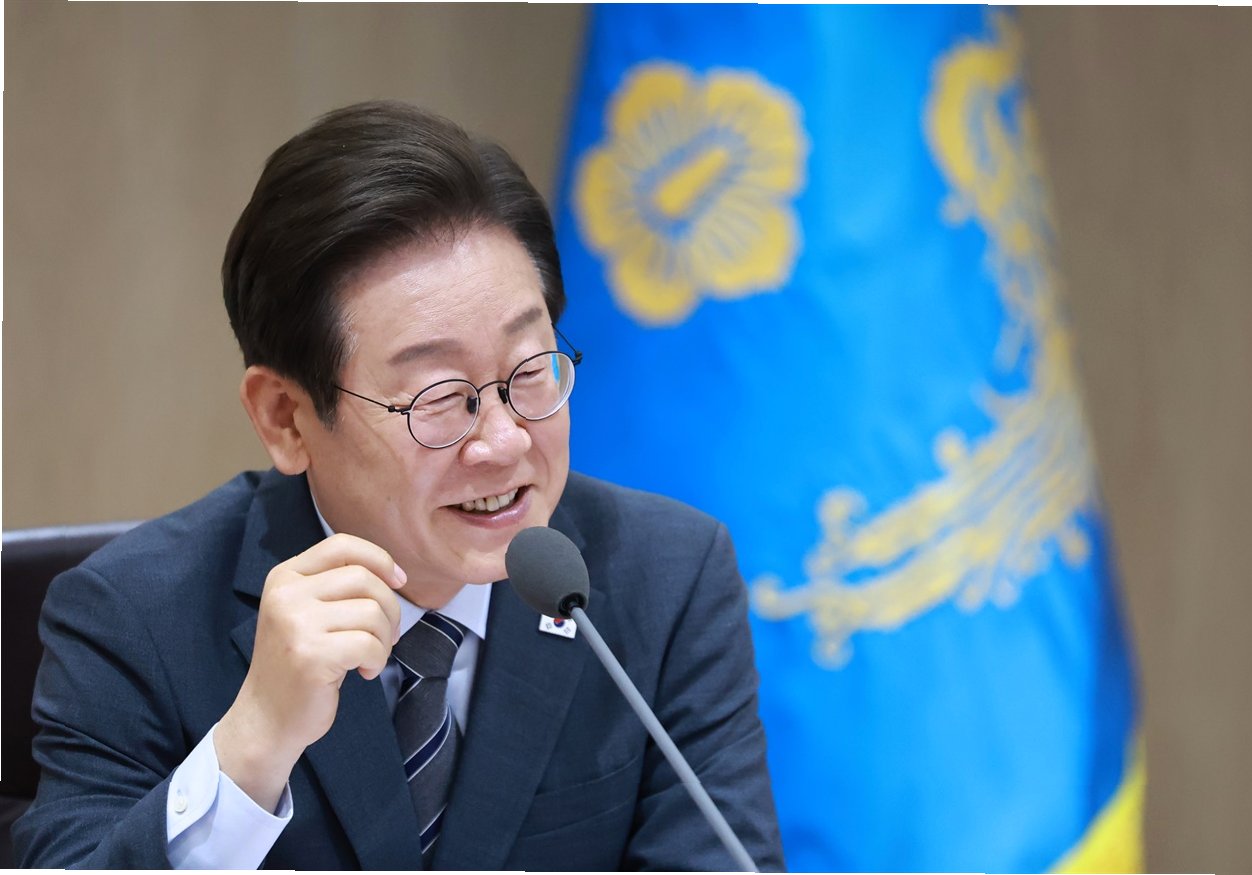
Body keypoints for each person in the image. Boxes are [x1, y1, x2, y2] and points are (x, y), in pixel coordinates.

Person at [13, 100, 785, 871]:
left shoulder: (666, 578)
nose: (505, 441)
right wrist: (252, 745)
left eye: (530, 369)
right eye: (439, 397)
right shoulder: (135, 617)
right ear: (286, 417)